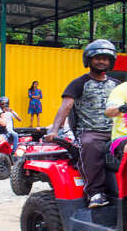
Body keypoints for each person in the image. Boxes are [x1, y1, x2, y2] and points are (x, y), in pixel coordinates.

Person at [46, 39, 119, 209]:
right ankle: (95, 193)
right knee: (90, 147)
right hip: (90, 131)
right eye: (97, 58)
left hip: (117, 131)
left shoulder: (116, 84)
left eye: (105, 58)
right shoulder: (79, 83)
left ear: (111, 61)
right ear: (88, 60)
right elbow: (66, 107)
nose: (101, 61)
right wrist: (55, 130)